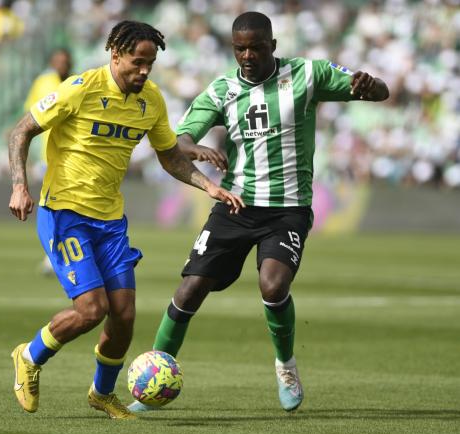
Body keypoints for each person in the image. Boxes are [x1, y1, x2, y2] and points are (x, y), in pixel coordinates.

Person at [128, 11, 389, 413]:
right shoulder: (222, 90)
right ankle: (154, 374)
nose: (248, 55)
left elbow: (378, 92)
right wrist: (193, 147)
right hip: (235, 204)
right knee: (189, 289)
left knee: (273, 285)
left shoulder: (308, 74)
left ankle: (286, 366)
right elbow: (177, 140)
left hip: (288, 208)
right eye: (240, 48)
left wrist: (369, 86)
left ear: (273, 46)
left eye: (256, 47)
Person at [7, 20, 243, 420]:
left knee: (125, 315)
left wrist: (208, 187)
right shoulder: (79, 89)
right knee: (90, 310)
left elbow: (169, 155)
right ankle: (29, 355)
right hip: (65, 212)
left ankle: (101, 394)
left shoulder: (151, 100)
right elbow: (21, 131)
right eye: (137, 62)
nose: (144, 71)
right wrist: (19, 185)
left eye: (150, 63)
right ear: (115, 55)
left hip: (110, 220)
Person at [22, 48, 73, 275]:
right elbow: (30, 116)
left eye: (65, 61)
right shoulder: (43, 82)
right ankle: (53, 253)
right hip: (47, 154)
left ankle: (57, 252)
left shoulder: (76, 83)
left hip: (70, 154)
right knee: (54, 205)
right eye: (58, 61)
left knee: (65, 205)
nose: (61, 65)